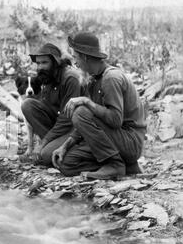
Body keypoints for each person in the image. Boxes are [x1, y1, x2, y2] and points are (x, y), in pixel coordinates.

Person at [52, 32, 146, 179]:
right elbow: (89, 122)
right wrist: (65, 146)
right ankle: (126, 166)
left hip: (130, 142)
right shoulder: (94, 80)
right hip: (114, 141)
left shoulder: (111, 78)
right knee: (67, 164)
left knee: (80, 111)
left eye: (76, 57)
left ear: (84, 57)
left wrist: (86, 101)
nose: (75, 63)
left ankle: (115, 165)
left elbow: (115, 120)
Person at [17, 43, 82, 164]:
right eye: (38, 63)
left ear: (55, 62)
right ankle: (50, 146)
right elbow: (45, 108)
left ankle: (69, 150)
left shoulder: (70, 78)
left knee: (46, 156)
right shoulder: (47, 77)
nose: (40, 67)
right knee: (28, 105)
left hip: (71, 130)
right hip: (56, 126)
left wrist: (43, 143)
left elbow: (66, 120)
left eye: (44, 63)